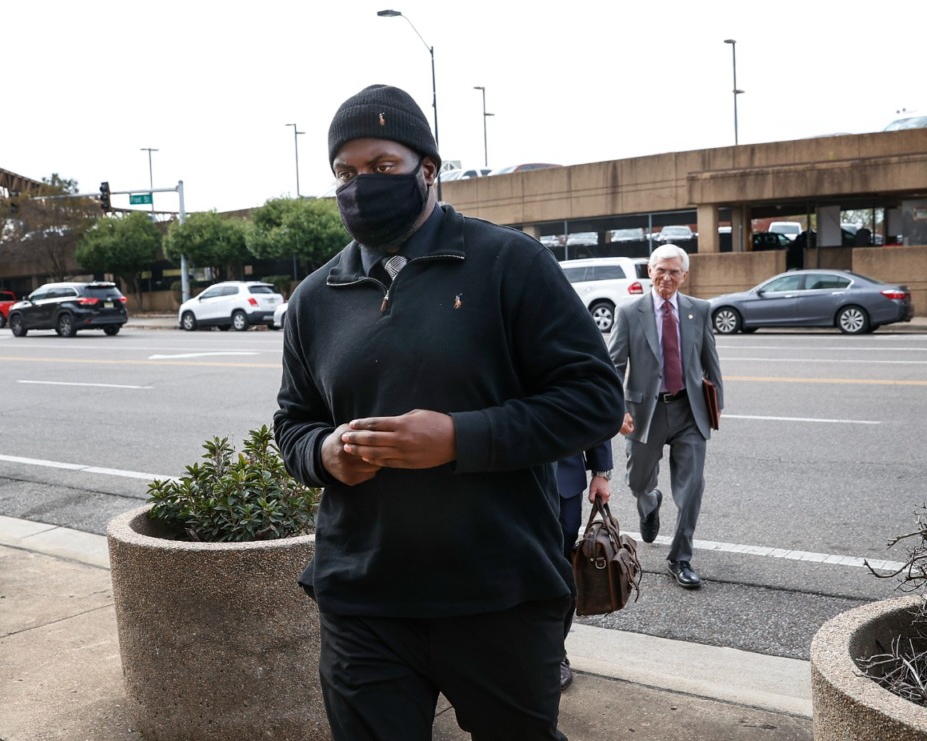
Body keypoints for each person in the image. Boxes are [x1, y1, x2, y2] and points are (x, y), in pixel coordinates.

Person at [273, 83, 625, 740]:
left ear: (427, 169)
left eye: (381, 167)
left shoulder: (508, 263)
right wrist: (323, 454)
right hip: (364, 596)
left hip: (498, 594)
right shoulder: (315, 299)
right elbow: (292, 421)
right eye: (345, 172)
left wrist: (459, 438)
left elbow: (596, 399)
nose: (360, 184)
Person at [607, 243, 724, 590]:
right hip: (646, 412)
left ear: (684, 276)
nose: (667, 277)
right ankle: (650, 504)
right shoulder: (629, 312)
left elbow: (710, 359)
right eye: (661, 270)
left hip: (690, 411)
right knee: (638, 482)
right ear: (650, 271)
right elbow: (614, 365)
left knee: (692, 489)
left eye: (675, 271)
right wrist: (618, 409)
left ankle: (681, 558)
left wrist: (717, 402)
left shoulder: (699, 310)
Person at [555, 413, 632, 691]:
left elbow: (592, 396)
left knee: (562, 570)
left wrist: (601, 472)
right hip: (506, 477)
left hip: (562, 476)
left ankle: (554, 654)